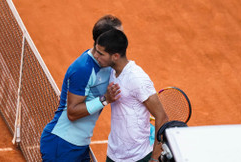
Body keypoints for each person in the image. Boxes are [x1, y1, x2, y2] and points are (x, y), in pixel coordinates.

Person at [40, 15, 123, 162]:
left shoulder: (107, 64)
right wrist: (105, 99)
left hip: (79, 146)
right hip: (62, 145)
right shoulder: (83, 69)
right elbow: (72, 112)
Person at [94, 29, 169, 162]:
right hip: (114, 154)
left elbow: (161, 116)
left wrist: (155, 157)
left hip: (138, 157)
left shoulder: (137, 78)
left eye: (101, 53)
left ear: (115, 56)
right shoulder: (111, 71)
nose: (96, 55)